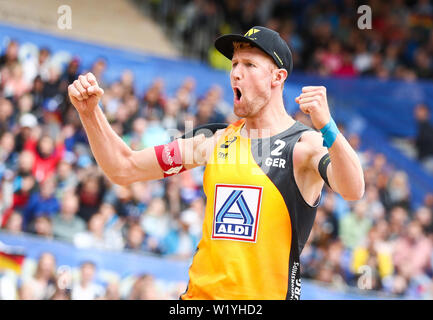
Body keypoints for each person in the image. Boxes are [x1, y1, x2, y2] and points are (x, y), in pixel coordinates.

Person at [68, 26, 364, 300]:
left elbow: (353, 189)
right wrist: (89, 113)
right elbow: (124, 168)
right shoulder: (213, 139)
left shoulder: (303, 144)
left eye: (249, 65)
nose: (236, 73)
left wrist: (328, 128)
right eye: (234, 64)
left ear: (278, 77)